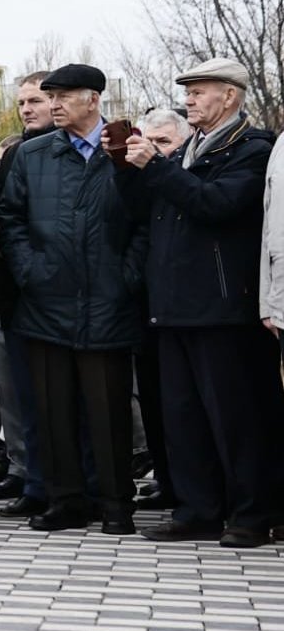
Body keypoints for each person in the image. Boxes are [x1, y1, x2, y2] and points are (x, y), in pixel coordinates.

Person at [126, 58, 283, 547]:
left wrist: (156, 167)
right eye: (188, 92)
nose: (189, 100)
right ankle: (197, 509)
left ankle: (251, 513)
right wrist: (129, 169)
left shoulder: (252, 149)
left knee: (236, 415)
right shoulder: (182, 153)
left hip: (222, 307)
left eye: (199, 91)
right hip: (172, 305)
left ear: (230, 97)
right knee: (183, 414)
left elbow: (215, 205)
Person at [0, 65, 147, 535]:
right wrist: (29, 270)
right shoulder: (33, 154)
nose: (54, 104)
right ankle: (65, 500)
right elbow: (11, 218)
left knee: (108, 411)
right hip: (46, 299)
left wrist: (126, 277)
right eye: (51, 96)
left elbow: (147, 220)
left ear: (94, 100)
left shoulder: (127, 149)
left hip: (108, 299)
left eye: (64, 96)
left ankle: (116, 502)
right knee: (52, 407)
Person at [0, 70, 54, 514]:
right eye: (22, 102)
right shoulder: (18, 156)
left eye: (35, 101)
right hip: (15, 293)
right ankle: (29, 477)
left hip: (60, 293)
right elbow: (4, 219)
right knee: (18, 394)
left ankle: (64, 482)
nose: (26, 109)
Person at [130, 106, 191, 510]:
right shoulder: (140, 180)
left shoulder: (183, 176)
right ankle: (168, 479)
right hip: (144, 304)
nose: (155, 151)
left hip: (188, 307)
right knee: (154, 400)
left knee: (186, 406)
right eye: (149, 143)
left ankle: (192, 487)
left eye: (165, 143)